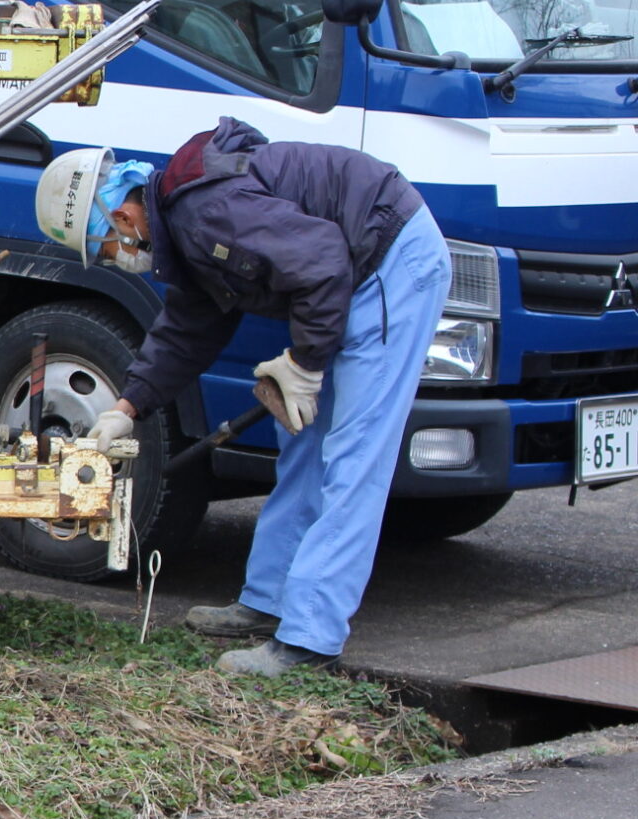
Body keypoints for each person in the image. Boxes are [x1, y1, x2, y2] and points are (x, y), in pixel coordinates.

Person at [33, 120, 450, 676]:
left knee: (355, 459)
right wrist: (124, 409)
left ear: (124, 217)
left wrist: (302, 365)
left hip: (389, 262)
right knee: (302, 444)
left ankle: (309, 640)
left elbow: (322, 259)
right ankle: (268, 601)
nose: (116, 257)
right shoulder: (188, 226)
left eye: (105, 248)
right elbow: (187, 329)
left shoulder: (205, 214)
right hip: (350, 270)